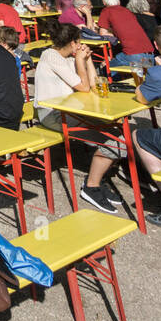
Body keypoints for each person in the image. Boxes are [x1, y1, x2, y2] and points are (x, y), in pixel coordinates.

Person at [33, 21, 127, 215]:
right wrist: (79, 61)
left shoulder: (68, 57)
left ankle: (97, 180)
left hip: (72, 111)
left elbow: (93, 85)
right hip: (52, 114)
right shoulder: (51, 56)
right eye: (79, 42)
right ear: (73, 42)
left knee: (117, 131)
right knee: (117, 142)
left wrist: (88, 60)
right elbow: (84, 87)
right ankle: (91, 187)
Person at [132, 23, 161, 230]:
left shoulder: (159, 74)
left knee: (139, 136)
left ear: (156, 46)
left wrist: (154, 72)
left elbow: (141, 98)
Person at [97, 0, 153, 67]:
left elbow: (102, 33)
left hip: (133, 54)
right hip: (150, 55)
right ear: (118, 1)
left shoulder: (106, 11)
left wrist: (114, 34)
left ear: (104, 2)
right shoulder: (127, 11)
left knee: (108, 67)